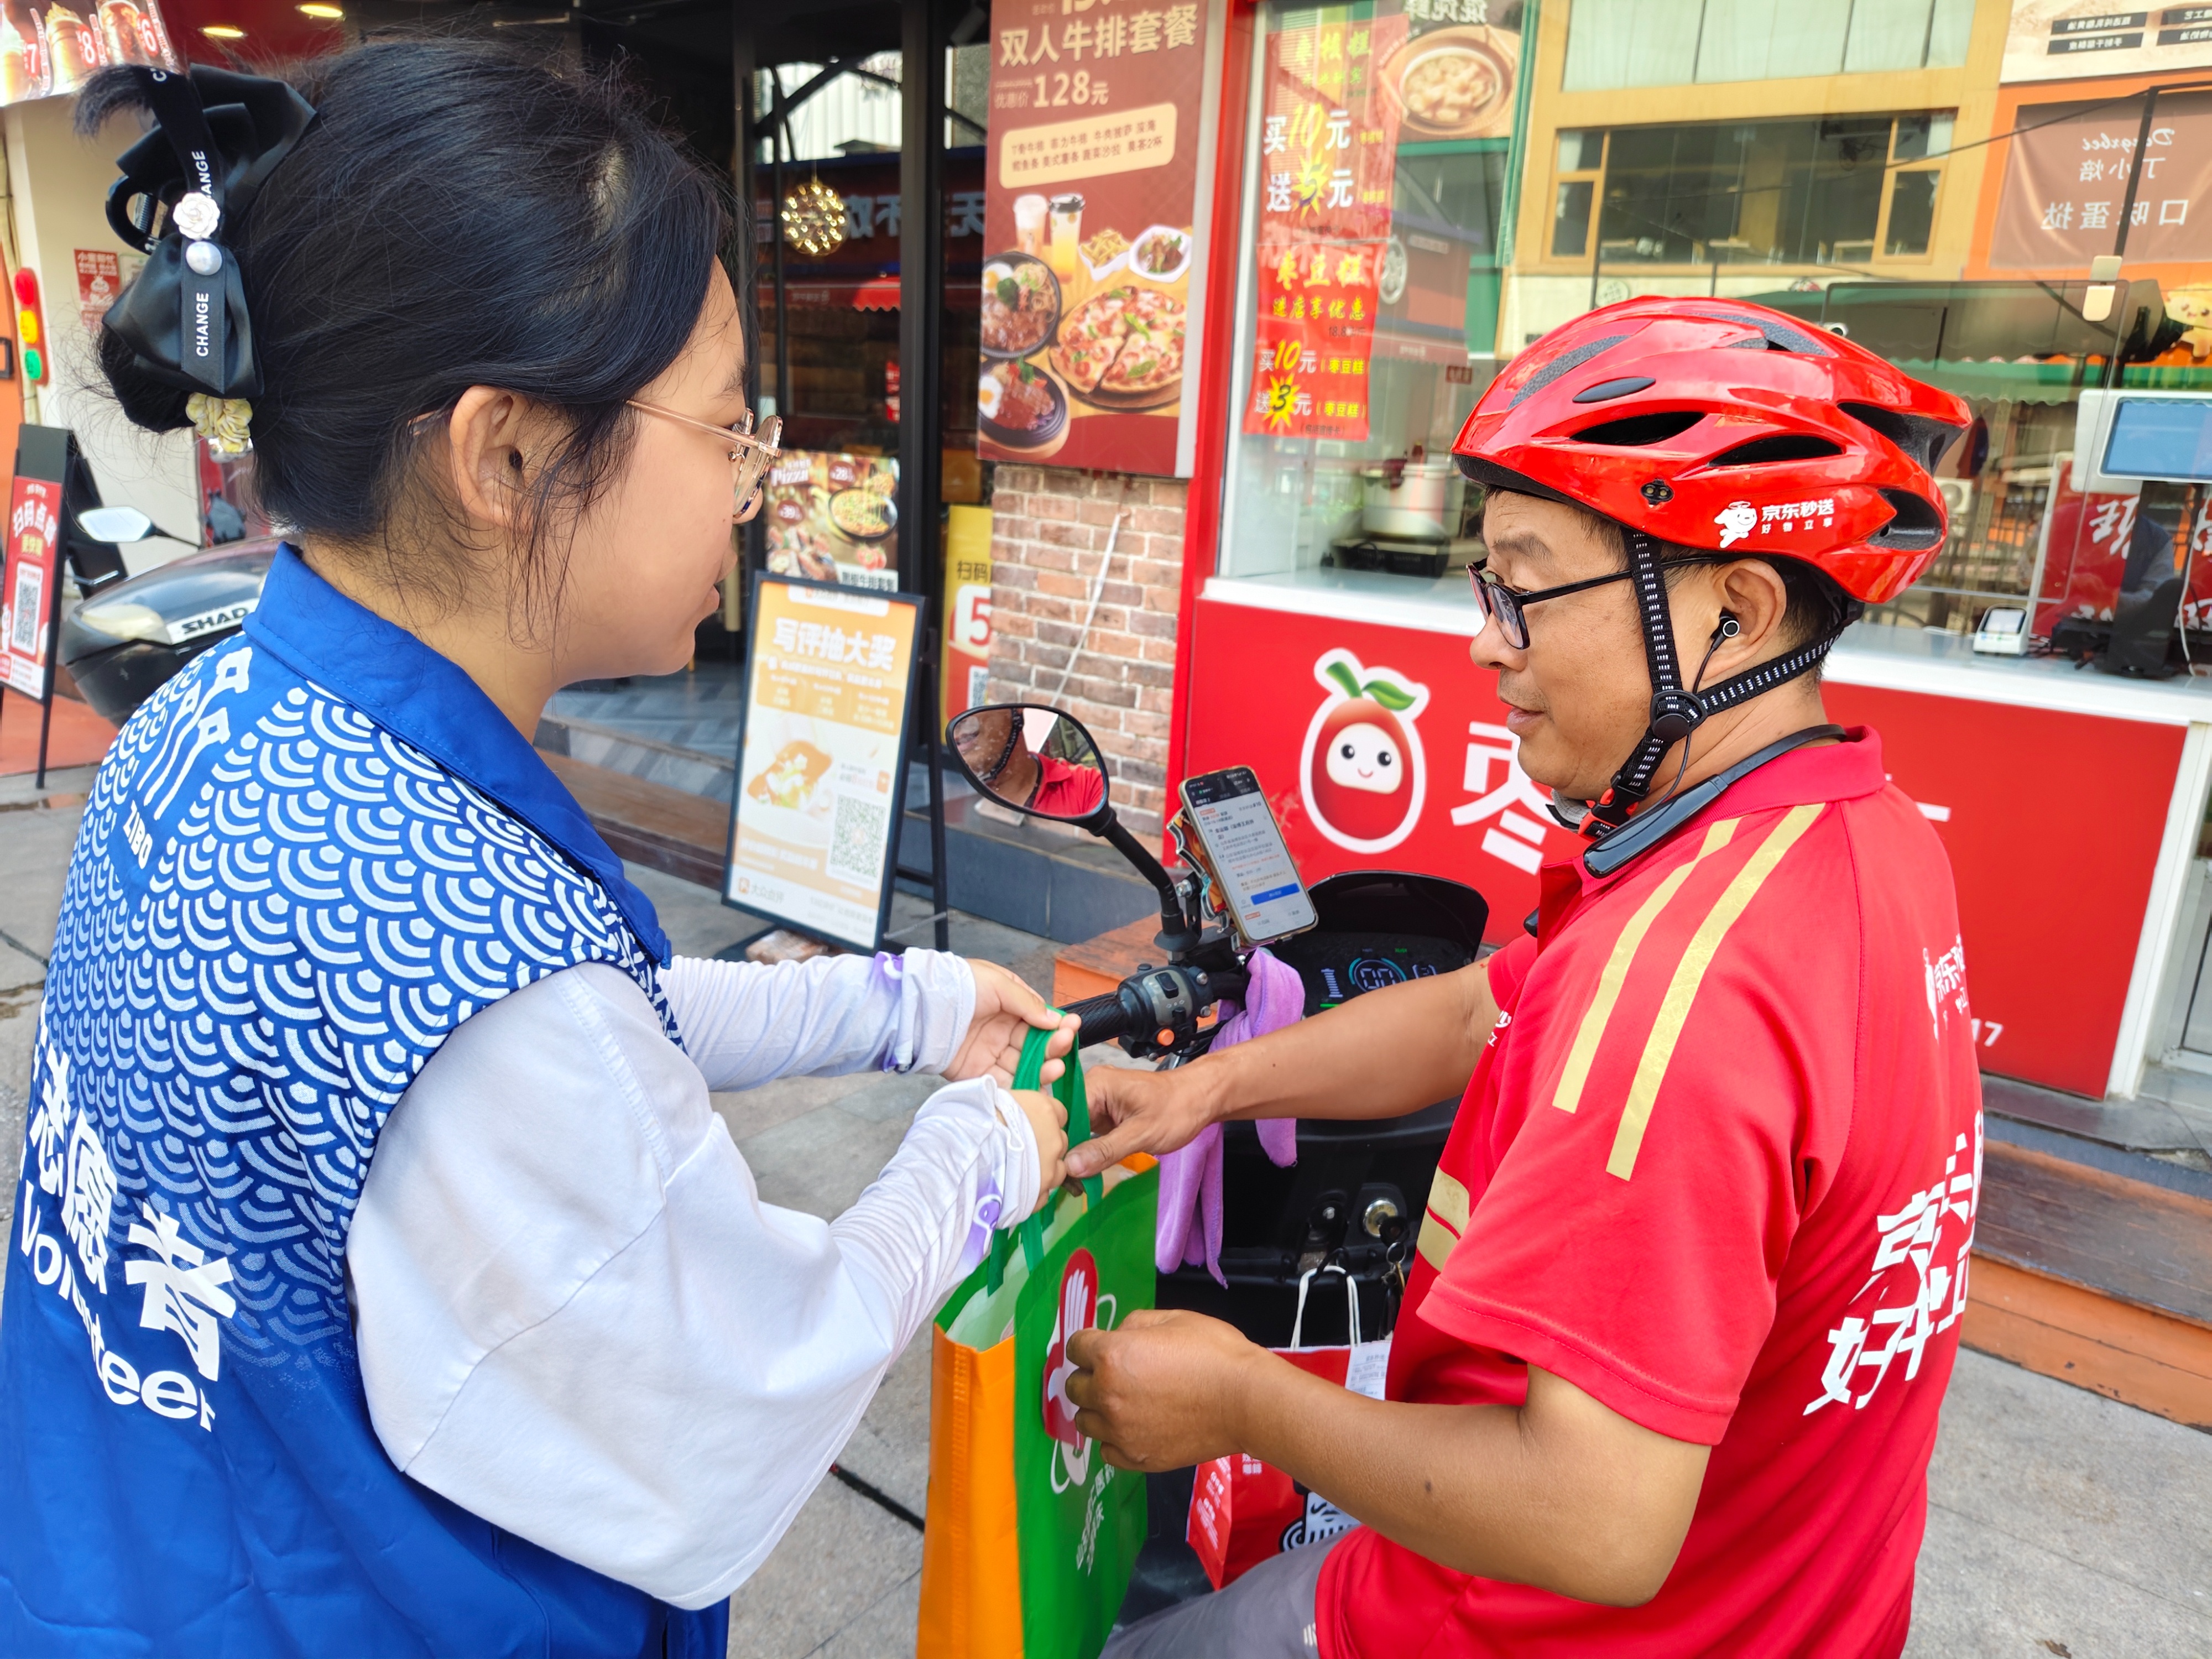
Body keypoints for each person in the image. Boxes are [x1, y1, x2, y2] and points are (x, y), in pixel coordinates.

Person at [0, 46, 1075, 1656]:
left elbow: (589, 1024)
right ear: (504, 453)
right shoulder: (475, 982)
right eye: (726, 428)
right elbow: (742, 1392)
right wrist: (988, 1144)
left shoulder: (216, 713)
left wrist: (909, 1004)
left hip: (125, 1560)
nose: (751, 492)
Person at [1065, 298, 1985, 1657]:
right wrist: (1207, 1088)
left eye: (1523, 588)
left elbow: (1591, 1521)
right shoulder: (1851, 837)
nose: (1485, 642)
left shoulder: (1678, 988)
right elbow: (1474, 1010)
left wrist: (1244, 1400)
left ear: (1733, 611)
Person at [953, 705, 1108, 817]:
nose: (956, 722)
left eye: (975, 705)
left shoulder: (1089, 788)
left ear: (1016, 711)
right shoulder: (949, 797)